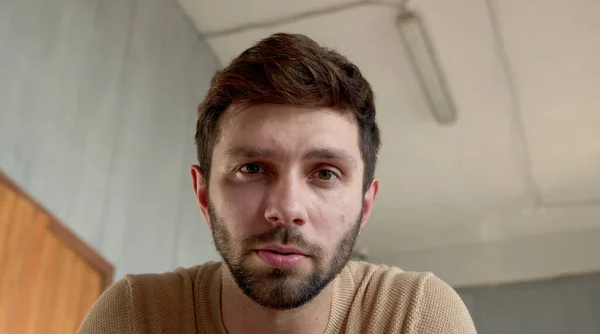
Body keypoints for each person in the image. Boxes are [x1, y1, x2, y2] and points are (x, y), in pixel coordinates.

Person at [78, 33, 476, 334]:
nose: (286, 209)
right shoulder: (135, 317)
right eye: (252, 169)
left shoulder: (417, 317)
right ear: (203, 194)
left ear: (365, 205)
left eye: (324, 173)